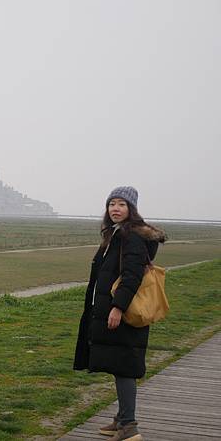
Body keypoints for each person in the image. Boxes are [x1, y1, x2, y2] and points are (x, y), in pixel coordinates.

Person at [73, 186, 166, 441]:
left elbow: (132, 276)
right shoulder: (116, 234)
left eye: (121, 204)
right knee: (119, 364)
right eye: (112, 204)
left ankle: (129, 427)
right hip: (112, 310)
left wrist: (117, 307)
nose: (115, 208)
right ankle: (122, 419)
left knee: (124, 367)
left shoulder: (131, 237)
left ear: (131, 209)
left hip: (123, 312)